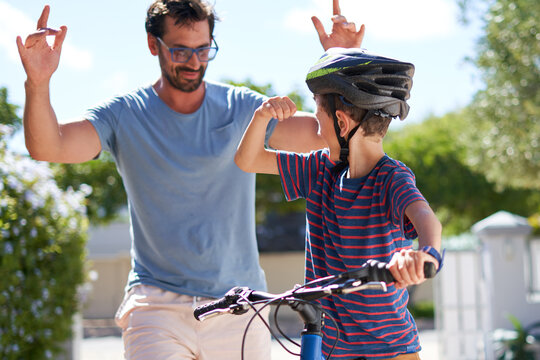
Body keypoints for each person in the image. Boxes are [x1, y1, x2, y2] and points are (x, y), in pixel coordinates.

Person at [16, 0, 365, 359]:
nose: (195, 62)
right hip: (156, 306)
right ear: (154, 45)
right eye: (181, 50)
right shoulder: (125, 114)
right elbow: (49, 146)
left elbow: (329, 134)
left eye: (203, 49)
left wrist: (344, 62)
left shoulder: (242, 108)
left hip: (239, 306)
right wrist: (38, 82)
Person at [235, 47, 444, 359]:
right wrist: (261, 115)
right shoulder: (319, 170)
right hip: (332, 347)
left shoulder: (391, 178)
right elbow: (248, 159)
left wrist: (424, 255)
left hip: (390, 349)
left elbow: (426, 218)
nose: (316, 132)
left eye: (319, 120)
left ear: (342, 124)